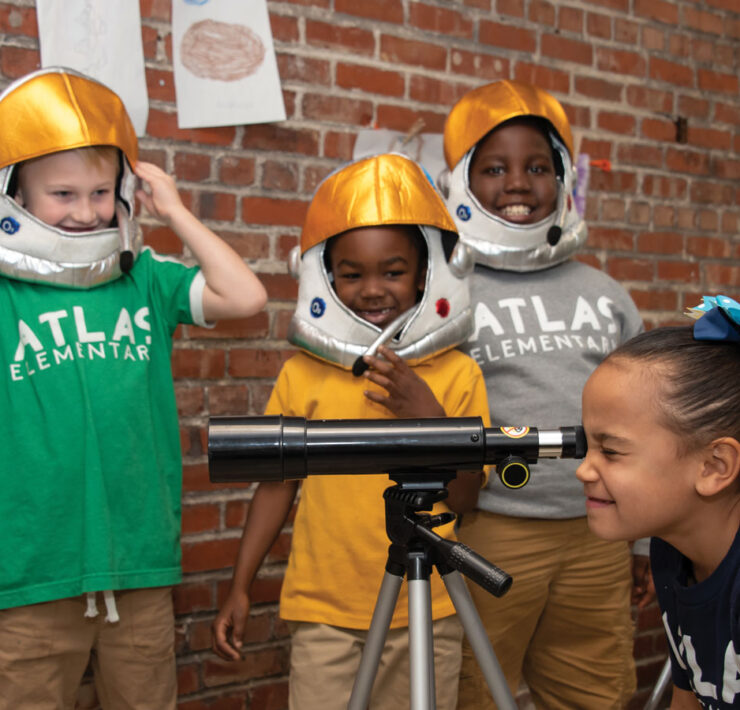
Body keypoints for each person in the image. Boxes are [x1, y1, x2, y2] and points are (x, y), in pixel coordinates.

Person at [0, 67, 267, 709]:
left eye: (100, 191)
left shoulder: (143, 278)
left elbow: (247, 296)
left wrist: (174, 213)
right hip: (29, 573)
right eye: (61, 193)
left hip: (138, 569)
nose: (85, 211)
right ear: (13, 194)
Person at [211, 152, 491, 710]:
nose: (372, 290)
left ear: (423, 276)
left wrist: (428, 416)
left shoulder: (458, 372)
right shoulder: (302, 374)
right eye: (352, 274)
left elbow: (465, 501)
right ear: (325, 277)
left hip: (427, 609)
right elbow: (276, 485)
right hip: (324, 612)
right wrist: (241, 584)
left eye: (393, 271)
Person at [437, 79, 645, 708]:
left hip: (598, 530)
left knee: (596, 688)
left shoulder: (605, 292)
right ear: (462, 182)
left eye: (537, 167)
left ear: (563, 180)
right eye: (495, 168)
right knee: (476, 688)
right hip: (493, 529)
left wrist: (641, 538)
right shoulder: (447, 291)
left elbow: (645, 417)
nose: (519, 184)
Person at [576, 295, 740, 710]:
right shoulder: (672, 552)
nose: (583, 470)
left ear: (713, 466)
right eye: (587, 446)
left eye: (610, 451)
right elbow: (688, 696)